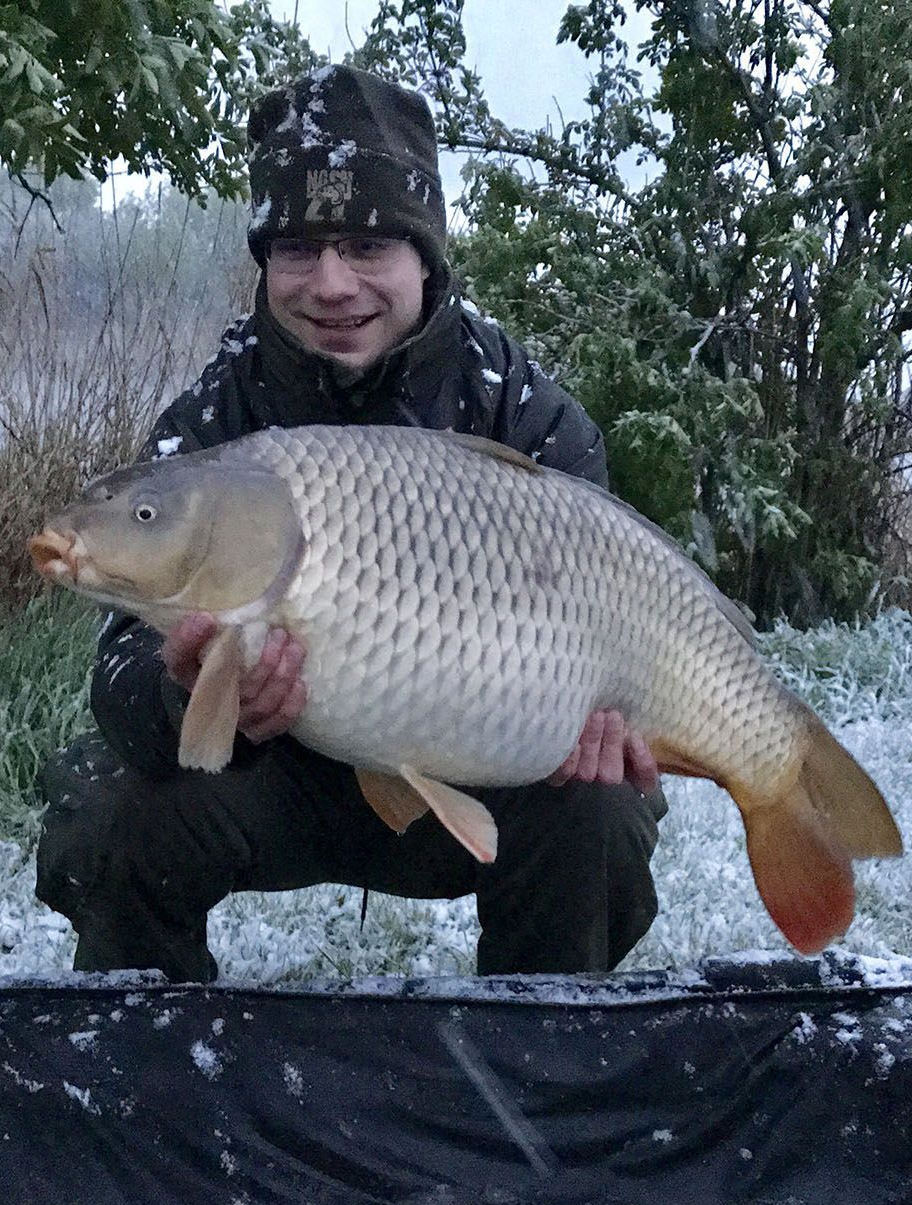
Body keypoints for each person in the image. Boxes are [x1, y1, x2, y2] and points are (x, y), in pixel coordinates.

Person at [34, 65, 665, 982]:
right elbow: (120, 673)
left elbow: (621, 626)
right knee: (109, 808)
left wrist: (614, 721)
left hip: (485, 767)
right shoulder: (219, 422)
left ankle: (542, 1075)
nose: (331, 283)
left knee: (598, 812)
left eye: (368, 245)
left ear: (424, 257)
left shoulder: (524, 415)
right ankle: (154, 1076)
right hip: (277, 783)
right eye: (298, 248)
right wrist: (190, 697)